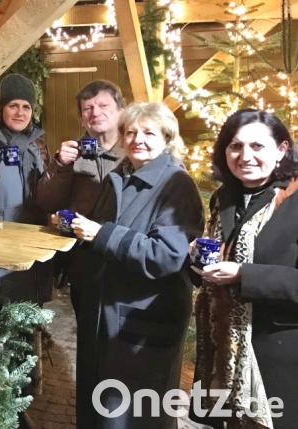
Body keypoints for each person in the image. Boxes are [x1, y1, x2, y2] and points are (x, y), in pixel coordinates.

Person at [61, 102, 204, 428]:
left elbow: (166, 255)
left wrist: (101, 234)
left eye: (149, 133)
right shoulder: (119, 176)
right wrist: (76, 229)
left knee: (134, 414)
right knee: (100, 408)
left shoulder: (177, 185)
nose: (138, 139)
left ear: (166, 138)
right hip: (105, 315)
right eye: (131, 132)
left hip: (142, 321)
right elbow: (102, 232)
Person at [192, 109, 298, 428]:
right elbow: (216, 260)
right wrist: (196, 258)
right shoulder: (224, 197)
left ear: (281, 150)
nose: (245, 156)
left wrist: (243, 275)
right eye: (235, 146)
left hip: (277, 356)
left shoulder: (293, 200)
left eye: (257, 146)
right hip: (221, 351)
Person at [0, 73, 53, 307]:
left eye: (26, 106)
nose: (20, 113)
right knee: (0, 303)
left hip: (33, 235)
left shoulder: (38, 142)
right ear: (1, 109)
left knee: (30, 304)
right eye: (13, 105)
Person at [36, 79, 125, 217]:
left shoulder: (135, 153)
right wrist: (61, 165)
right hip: (78, 231)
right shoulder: (71, 154)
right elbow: (46, 203)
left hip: (119, 231)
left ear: (121, 112)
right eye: (88, 108)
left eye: (103, 106)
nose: (95, 113)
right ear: (82, 120)